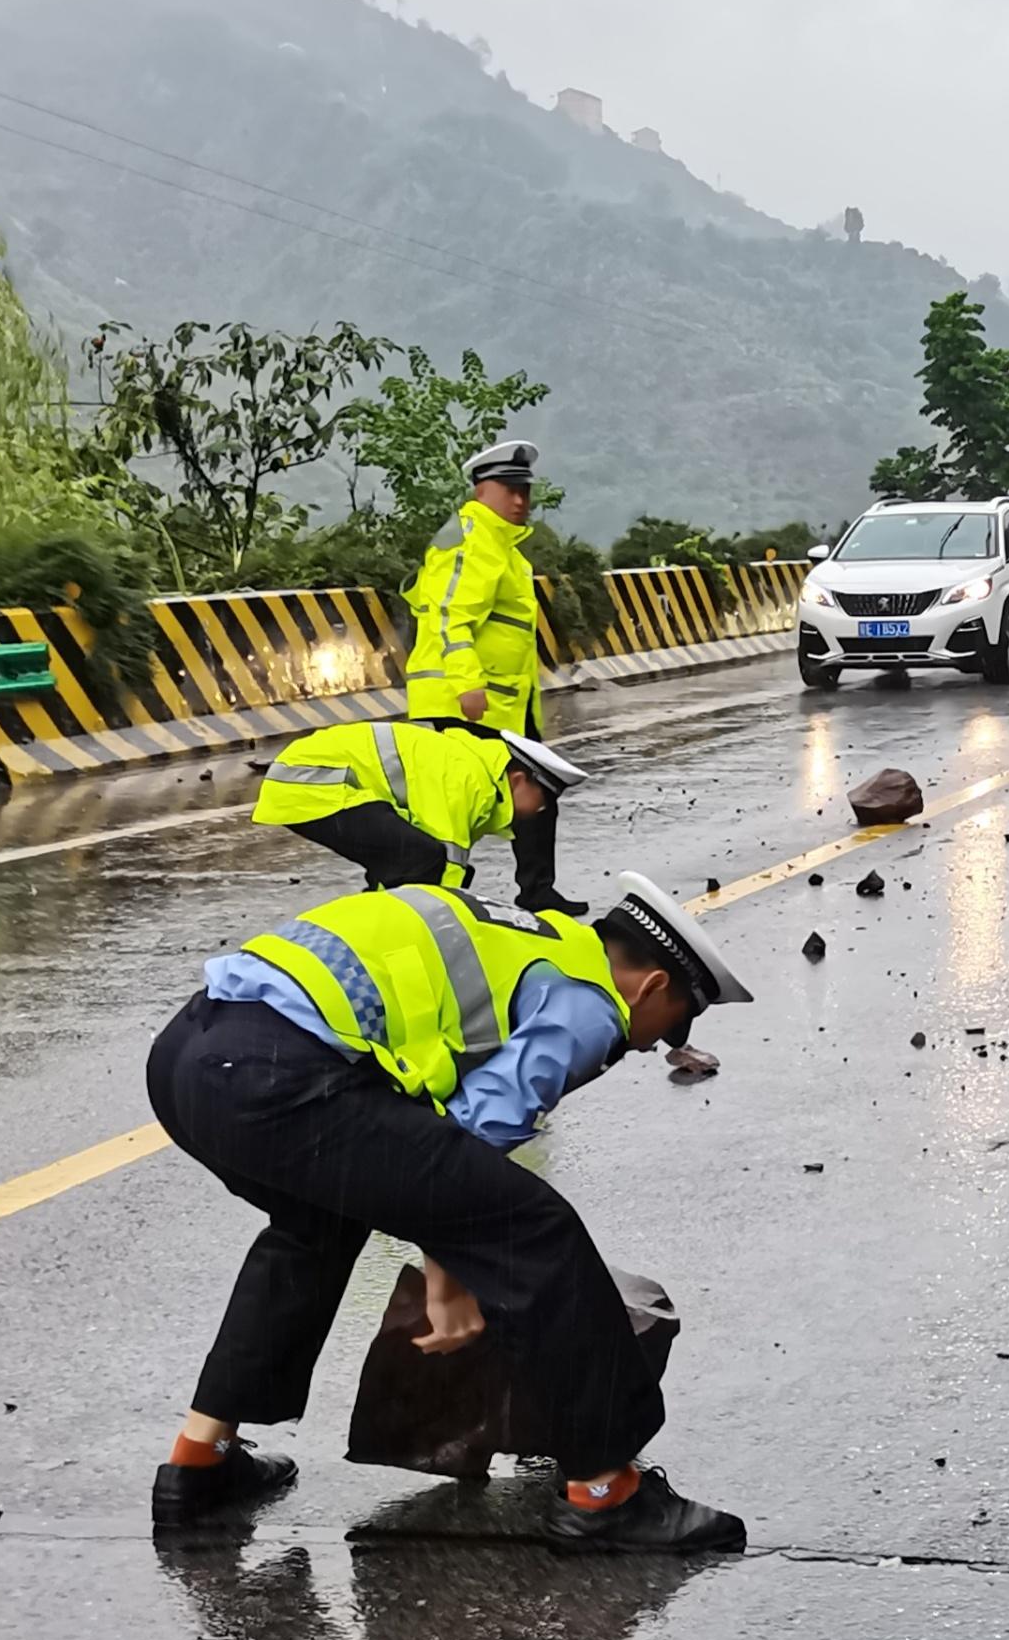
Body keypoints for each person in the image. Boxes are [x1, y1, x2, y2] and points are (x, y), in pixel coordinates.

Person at [147, 871, 755, 1549]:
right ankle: (606, 1493)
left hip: (187, 1058)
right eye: (671, 1028)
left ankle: (199, 1464)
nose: (648, 1048)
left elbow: (435, 1146)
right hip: (275, 1078)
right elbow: (477, 1132)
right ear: (653, 988)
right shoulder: (590, 1001)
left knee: (315, 1225)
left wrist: (444, 1252)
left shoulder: (526, 939)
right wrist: (449, 1277)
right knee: (534, 1229)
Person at [406, 437, 565, 902]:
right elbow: (449, 616)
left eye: (525, 491)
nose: (520, 501)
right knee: (456, 807)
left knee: (538, 793)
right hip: (465, 703)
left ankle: (538, 891)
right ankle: (429, 894)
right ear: (481, 491)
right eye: (509, 489)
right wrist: (467, 684)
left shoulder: (505, 548)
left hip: (506, 705)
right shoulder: (472, 541)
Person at [249, 719, 586, 902]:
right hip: (310, 780)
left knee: (407, 858)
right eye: (543, 796)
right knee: (421, 857)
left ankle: (379, 920)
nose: (543, 808)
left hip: (319, 779)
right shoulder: (470, 781)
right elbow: (448, 867)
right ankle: (384, 926)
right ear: (517, 779)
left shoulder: (481, 771)